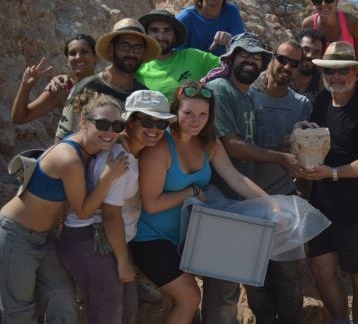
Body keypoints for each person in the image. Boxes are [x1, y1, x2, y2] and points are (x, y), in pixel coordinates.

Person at [130, 82, 269, 324]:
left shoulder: (209, 143)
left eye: (203, 114)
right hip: (150, 239)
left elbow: (235, 178)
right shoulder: (160, 148)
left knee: (175, 303)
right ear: (176, 112)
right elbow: (151, 204)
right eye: (188, 114)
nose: (196, 121)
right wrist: (191, 191)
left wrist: (271, 205)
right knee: (190, 298)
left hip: (185, 238)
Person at [0, 91, 127, 323]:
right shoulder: (69, 158)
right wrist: (108, 177)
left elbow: (114, 135)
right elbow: (83, 211)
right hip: (16, 235)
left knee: (63, 301)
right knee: (18, 310)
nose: (110, 131)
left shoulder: (91, 146)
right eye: (102, 123)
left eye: (117, 125)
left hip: (45, 238)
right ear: (84, 122)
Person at [203, 33, 303, 324]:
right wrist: (280, 158)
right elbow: (231, 145)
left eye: (256, 56)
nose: (250, 60)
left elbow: (244, 145)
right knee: (223, 290)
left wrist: (276, 150)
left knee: (233, 284)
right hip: (222, 201)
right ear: (231, 57)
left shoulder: (243, 96)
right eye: (243, 54)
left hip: (239, 200)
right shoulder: (221, 89)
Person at [57, 90, 175, 324]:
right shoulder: (119, 160)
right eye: (147, 121)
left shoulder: (134, 152)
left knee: (127, 309)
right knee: (108, 315)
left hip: (110, 239)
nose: (155, 128)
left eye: (161, 122)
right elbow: (111, 216)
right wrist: (122, 262)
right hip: (92, 238)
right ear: (130, 122)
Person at [302, 41, 358, 324]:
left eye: (342, 71)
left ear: (356, 72)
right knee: (321, 270)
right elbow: (315, 140)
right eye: (329, 72)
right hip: (322, 206)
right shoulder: (322, 102)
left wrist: (333, 173)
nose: (335, 77)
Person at [245, 39, 311, 324]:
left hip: (284, 201)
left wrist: (299, 146)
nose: (287, 67)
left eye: (294, 63)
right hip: (246, 202)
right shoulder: (246, 97)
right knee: (254, 283)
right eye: (282, 59)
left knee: (289, 282)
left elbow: (309, 154)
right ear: (271, 59)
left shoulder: (302, 106)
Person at [55, 18, 160, 141]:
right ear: (111, 49)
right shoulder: (88, 88)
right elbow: (63, 139)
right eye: (124, 47)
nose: (131, 54)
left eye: (138, 48)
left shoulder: (144, 95)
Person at [135, 9, 221, 102]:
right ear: (146, 35)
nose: (161, 37)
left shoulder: (194, 57)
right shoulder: (138, 66)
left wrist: (230, 44)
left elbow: (231, 67)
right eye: (154, 30)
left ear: (175, 36)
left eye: (167, 30)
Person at [12, 34, 98, 125]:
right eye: (72, 53)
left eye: (85, 51)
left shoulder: (108, 85)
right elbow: (19, 119)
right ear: (67, 60)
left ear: (96, 57)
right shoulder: (62, 87)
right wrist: (25, 86)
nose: (78, 57)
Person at [176, 0, 245, 56]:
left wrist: (230, 40)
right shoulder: (185, 18)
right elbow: (175, 55)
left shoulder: (232, 12)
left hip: (222, 68)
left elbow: (242, 47)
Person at [300, 0, 358, 68]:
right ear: (313, 4)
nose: (323, 4)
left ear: (336, 0)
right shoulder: (308, 24)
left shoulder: (354, 24)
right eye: (318, 1)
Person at [292, 28, 325, 103]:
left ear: (321, 56)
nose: (310, 56)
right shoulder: (283, 74)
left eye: (316, 52)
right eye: (306, 50)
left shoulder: (324, 83)